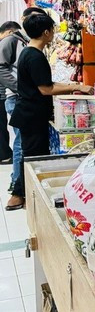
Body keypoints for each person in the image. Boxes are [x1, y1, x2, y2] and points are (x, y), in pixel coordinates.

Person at [7, 13, 92, 210]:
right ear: (46, 32)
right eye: (52, 30)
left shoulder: (29, 53)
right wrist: (74, 88)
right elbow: (46, 89)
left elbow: (47, 84)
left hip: (30, 114)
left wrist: (74, 84)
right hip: (32, 115)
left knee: (31, 155)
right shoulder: (35, 57)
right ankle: (22, 194)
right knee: (34, 158)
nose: (54, 33)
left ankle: (25, 193)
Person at [0, 21, 27, 191]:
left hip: (14, 96)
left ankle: (17, 180)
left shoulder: (20, 41)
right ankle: (17, 183)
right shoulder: (10, 40)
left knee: (20, 140)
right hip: (15, 97)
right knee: (20, 141)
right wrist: (20, 87)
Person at [0, 22, 19, 166]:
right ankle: (4, 155)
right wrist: (18, 87)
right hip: (3, 94)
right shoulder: (7, 43)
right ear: (9, 31)